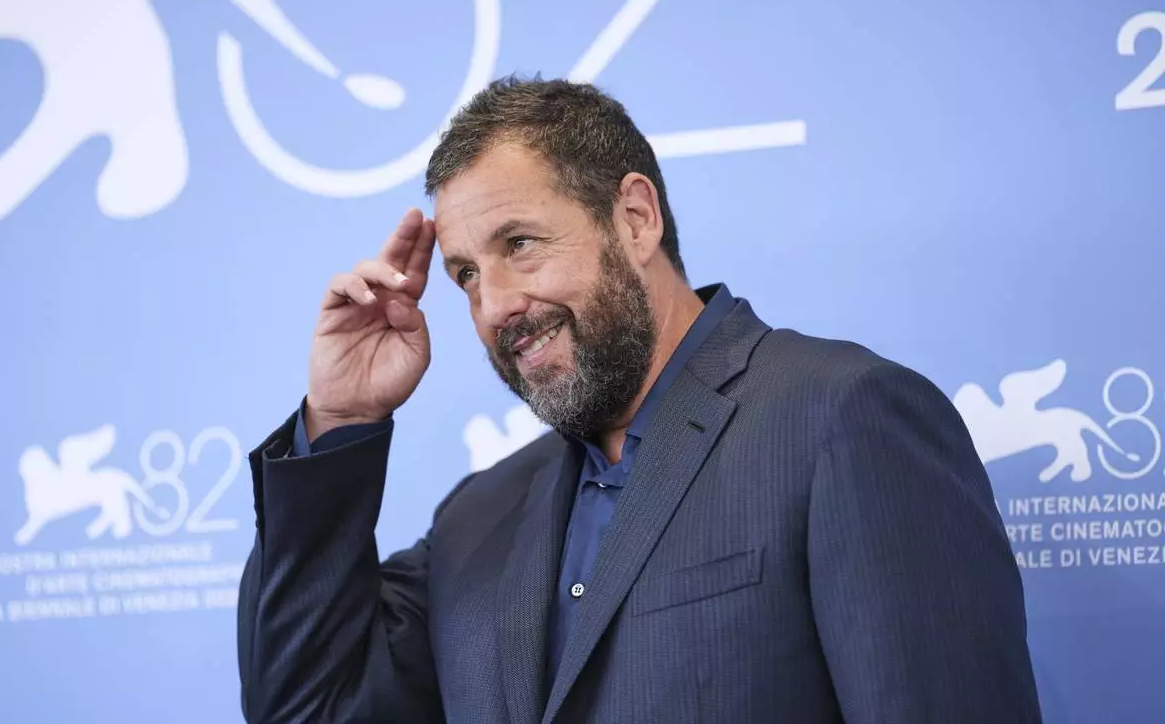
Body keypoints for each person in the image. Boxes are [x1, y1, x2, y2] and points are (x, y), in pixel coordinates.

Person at [236, 77, 1043, 723]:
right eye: (467, 275)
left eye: (520, 244)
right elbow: (310, 707)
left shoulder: (844, 420)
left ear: (634, 218)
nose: (495, 306)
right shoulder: (476, 517)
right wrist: (341, 420)